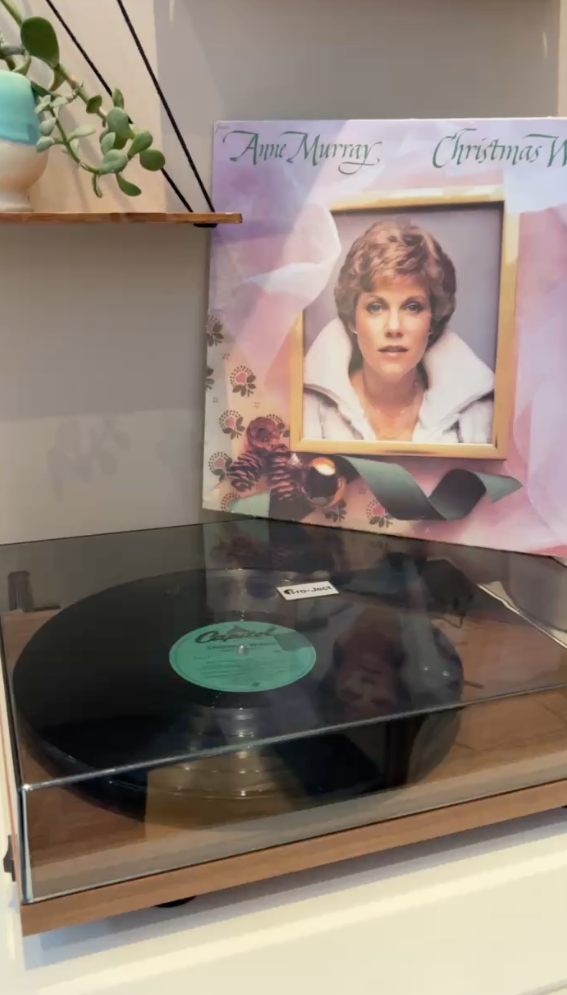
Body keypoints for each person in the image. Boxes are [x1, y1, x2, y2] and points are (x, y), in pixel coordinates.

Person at [303, 220, 494, 444]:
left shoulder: (480, 417)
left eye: (412, 307)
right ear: (352, 319)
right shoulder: (305, 410)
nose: (394, 327)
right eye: (376, 307)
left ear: (432, 321)